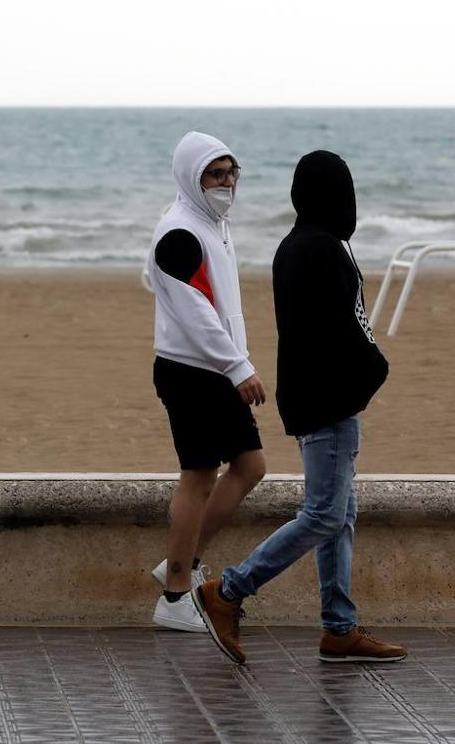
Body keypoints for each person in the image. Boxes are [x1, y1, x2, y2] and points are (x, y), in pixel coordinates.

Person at [194, 151, 406, 664]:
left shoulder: (298, 245)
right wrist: (374, 368)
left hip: (318, 396)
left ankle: (339, 628)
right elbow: (335, 331)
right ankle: (229, 591)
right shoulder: (321, 249)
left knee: (340, 515)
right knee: (324, 514)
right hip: (327, 400)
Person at [146, 131, 267, 632]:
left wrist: (235, 359)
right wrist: (238, 366)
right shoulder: (179, 231)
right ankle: (174, 598)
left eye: (230, 173)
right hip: (190, 370)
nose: (225, 183)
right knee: (198, 476)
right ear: (191, 177)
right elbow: (194, 312)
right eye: (214, 175)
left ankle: (182, 561)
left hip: (216, 365)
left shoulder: (212, 222)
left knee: (251, 466)